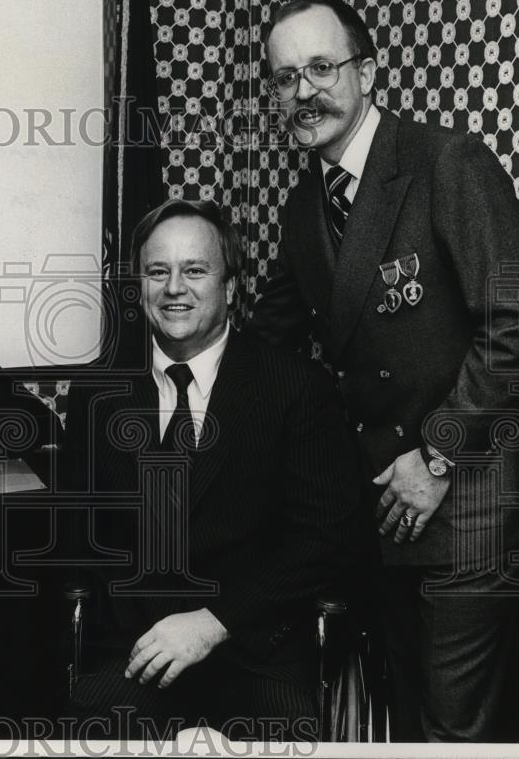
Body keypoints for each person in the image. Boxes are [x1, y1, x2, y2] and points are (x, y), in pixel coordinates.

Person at [246, 0, 519, 741]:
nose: (304, 91)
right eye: (286, 78)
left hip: (466, 498)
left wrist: (439, 452)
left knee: (454, 731)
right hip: (381, 510)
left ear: (369, 70)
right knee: (405, 723)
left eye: (322, 67)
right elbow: (269, 344)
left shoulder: (446, 162)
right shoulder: (301, 208)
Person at [63, 199, 359, 740]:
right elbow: (78, 543)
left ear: (231, 286)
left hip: (256, 653)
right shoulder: (95, 395)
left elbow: (327, 537)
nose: (175, 288)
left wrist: (214, 622)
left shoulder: (295, 387)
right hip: (136, 655)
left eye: (195, 270)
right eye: (158, 271)